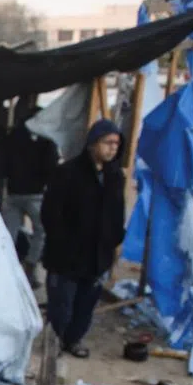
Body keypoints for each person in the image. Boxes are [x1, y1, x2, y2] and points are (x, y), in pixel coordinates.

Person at [40, 118, 127, 359]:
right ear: (92, 144)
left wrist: (115, 239)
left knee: (86, 304)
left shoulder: (114, 176)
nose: (112, 148)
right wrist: (61, 240)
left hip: (97, 255)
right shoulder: (67, 173)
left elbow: (117, 212)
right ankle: (54, 341)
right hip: (66, 255)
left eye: (116, 143)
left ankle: (73, 340)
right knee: (61, 304)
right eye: (107, 142)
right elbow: (50, 212)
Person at [2, 105, 60, 288]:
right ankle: (30, 267)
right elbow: (51, 166)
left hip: (13, 192)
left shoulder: (13, 136)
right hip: (35, 193)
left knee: (7, 234)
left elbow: (2, 162)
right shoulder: (46, 139)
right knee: (41, 232)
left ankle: (5, 269)